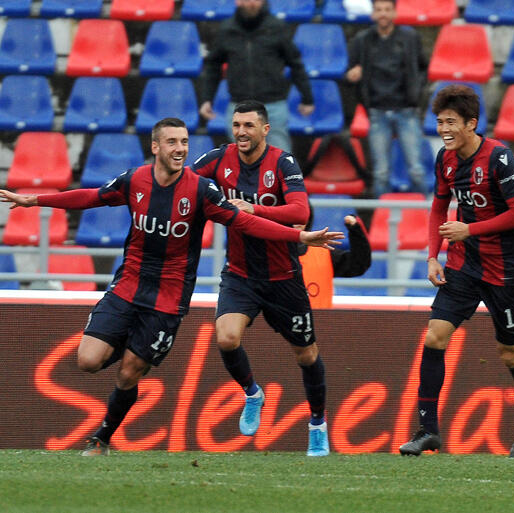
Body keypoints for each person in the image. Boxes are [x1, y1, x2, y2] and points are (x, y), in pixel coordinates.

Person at [0, 118, 342, 457]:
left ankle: (101, 439)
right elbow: (92, 197)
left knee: (130, 372)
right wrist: (35, 201)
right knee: (87, 361)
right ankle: (136, 346)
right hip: (128, 285)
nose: (180, 149)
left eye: (184, 142)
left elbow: (246, 223)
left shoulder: (201, 190)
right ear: (155, 147)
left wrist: (299, 236)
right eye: (172, 142)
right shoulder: (135, 179)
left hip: (168, 297)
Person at [398, 84, 514, 458]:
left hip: (506, 269)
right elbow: (438, 206)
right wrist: (433, 256)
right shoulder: (445, 159)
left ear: (471, 124)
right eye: (439, 122)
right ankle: (427, 430)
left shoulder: (499, 158)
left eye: (450, 122)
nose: (443, 129)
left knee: (510, 352)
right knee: (435, 336)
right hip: (463, 264)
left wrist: (470, 229)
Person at [191, 101, 330, 456]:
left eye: (249, 125)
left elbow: (300, 212)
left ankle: (317, 424)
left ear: (265, 130)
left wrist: (254, 209)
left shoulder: (283, 163)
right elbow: (185, 182)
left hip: (283, 277)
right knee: (226, 337)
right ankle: (252, 393)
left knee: (306, 354)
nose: (241, 132)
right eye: (237, 124)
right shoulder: (219, 159)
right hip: (240, 274)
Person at [198, 0, 314, 152]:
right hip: (239, 106)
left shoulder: (277, 27)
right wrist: (207, 99)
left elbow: (295, 64)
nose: (251, 3)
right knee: (243, 160)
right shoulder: (226, 29)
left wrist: (307, 98)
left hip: (273, 106)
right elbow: (213, 66)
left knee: (280, 160)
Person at [345, 0, 428, 197]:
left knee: (416, 169)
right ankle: (381, 214)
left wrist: (416, 92)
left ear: (394, 13)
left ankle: (427, 213)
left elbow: (423, 68)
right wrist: (352, 75)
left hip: (406, 110)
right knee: (381, 173)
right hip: (377, 111)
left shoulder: (410, 37)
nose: (383, 14)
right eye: (379, 10)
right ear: (373, 13)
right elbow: (348, 73)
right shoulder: (362, 40)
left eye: (387, 10)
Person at [297, 206, 372, 309]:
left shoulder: (323, 252)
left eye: (300, 213)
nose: (295, 220)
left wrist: (356, 230)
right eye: (289, 214)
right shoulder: (273, 254)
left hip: (320, 318)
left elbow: (358, 264)